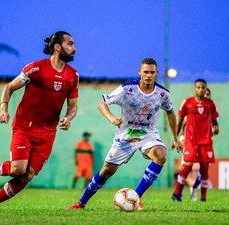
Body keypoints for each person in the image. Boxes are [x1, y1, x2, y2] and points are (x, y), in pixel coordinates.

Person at [68, 57, 183, 210]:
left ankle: (136, 197)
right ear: (140, 72)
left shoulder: (163, 94)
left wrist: (175, 138)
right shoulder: (127, 89)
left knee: (161, 155)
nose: (149, 75)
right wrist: (112, 118)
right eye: (146, 72)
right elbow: (102, 104)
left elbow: (170, 112)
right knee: (106, 172)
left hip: (148, 134)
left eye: (152, 73)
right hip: (126, 136)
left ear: (157, 73)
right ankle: (81, 203)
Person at [0, 31, 78, 212]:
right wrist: (3, 109)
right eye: (70, 44)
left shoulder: (73, 76)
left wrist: (68, 118)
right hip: (24, 127)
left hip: (47, 133)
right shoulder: (36, 68)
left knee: (27, 175)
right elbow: (9, 87)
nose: (74, 48)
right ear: (57, 47)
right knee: (17, 170)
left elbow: (72, 106)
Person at [171, 80, 219, 202]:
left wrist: (216, 128)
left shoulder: (210, 104)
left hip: (206, 141)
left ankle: (203, 198)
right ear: (194, 88)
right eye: (198, 87)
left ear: (205, 88)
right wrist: (176, 138)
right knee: (187, 166)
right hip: (191, 141)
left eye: (203, 88)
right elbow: (181, 121)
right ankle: (177, 193)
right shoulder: (188, 103)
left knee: (204, 169)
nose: (201, 90)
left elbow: (215, 123)